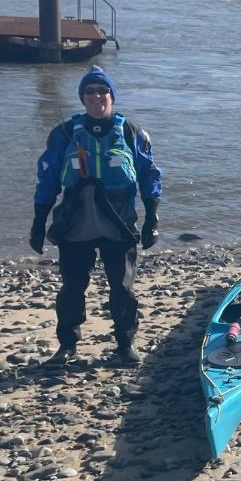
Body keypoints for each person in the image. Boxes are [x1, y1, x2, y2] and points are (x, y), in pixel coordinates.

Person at [29, 65, 162, 364]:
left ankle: (125, 345)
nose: (96, 96)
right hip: (75, 223)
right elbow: (47, 178)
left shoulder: (131, 133)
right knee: (72, 287)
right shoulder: (64, 134)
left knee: (122, 287)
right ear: (82, 97)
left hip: (118, 222)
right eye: (89, 91)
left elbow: (149, 175)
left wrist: (152, 218)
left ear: (112, 96)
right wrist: (38, 222)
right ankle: (66, 346)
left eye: (102, 90)